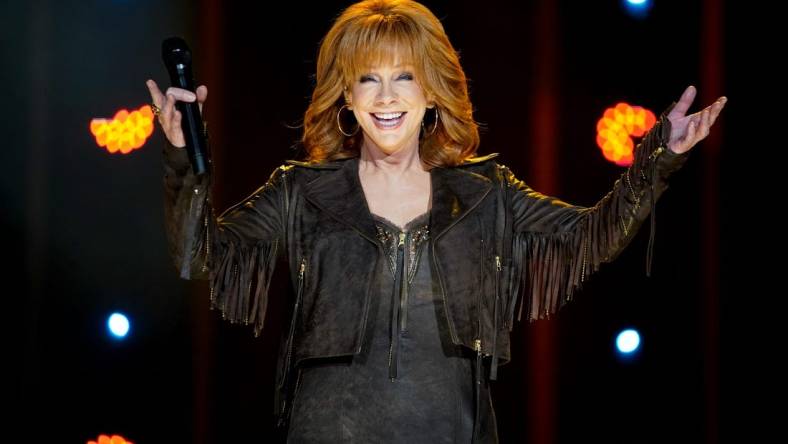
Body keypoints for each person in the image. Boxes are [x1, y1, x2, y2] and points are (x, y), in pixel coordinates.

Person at [146, 1, 726, 442]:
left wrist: (659, 157)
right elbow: (203, 255)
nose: (386, 95)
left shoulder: (484, 191)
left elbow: (590, 238)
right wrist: (182, 159)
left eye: (404, 76)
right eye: (369, 78)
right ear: (346, 95)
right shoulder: (302, 190)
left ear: (433, 92)